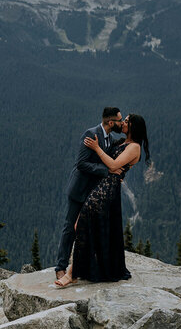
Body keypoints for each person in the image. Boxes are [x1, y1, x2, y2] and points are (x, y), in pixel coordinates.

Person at [55, 113, 150, 287]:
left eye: (127, 121)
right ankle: (79, 269)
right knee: (82, 225)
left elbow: (114, 165)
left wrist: (97, 148)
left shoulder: (134, 147)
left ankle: (71, 273)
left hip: (107, 190)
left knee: (82, 225)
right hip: (100, 186)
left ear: (133, 127)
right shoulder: (123, 142)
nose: (123, 123)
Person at [54, 107, 125, 283]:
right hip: (80, 189)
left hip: (94, 193)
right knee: (70, 227)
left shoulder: (110, 139)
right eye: (119, 120)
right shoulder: (91, 134)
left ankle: (83, 267)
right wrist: (106, 171)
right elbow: (81, 163)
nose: (121, 123)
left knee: (87, 230)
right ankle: (61, 267)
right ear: (110, 122)